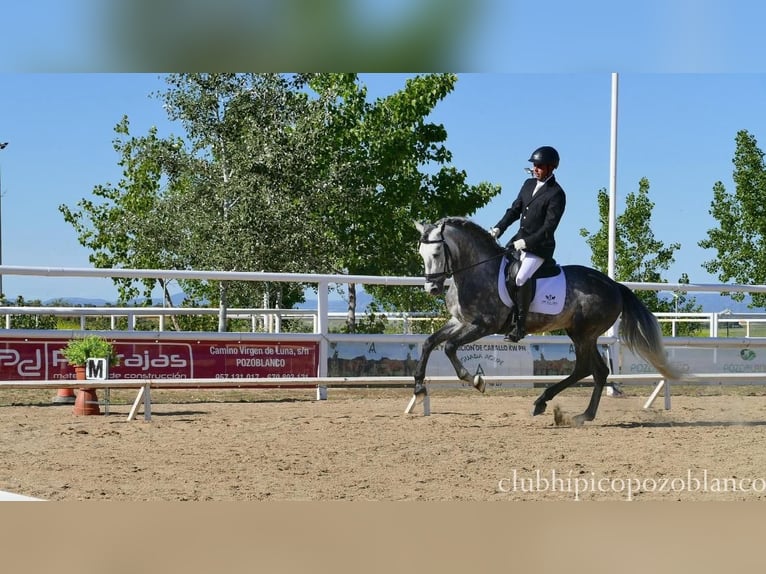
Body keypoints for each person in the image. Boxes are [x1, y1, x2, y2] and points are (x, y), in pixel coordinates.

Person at [489, 146, 566, 342]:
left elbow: (549, 227)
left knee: (521, 278)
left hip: (539, 248)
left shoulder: (556, 193)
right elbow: (514, 210)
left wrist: (527, 242)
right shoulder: (528, 184)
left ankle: (520, 326)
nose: (535, 169)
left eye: (539, 166)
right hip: (518, 241)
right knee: (498, 269)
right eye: (534, 165)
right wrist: (499, 228)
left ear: (551, 168)